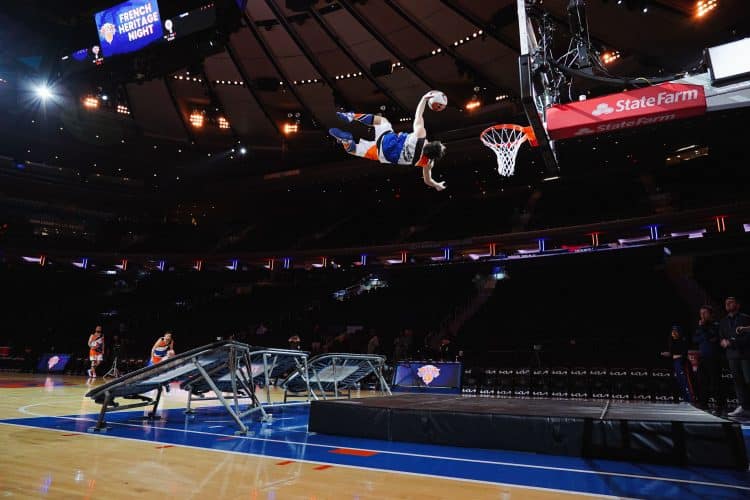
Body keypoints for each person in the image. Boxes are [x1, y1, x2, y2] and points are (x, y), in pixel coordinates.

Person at [329, 91, 447, 191]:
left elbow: (418, 116)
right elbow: (427, 180)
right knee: (353, 150)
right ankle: (347, 141)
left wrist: (423, 99)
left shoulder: (421, 135)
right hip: (383, 155)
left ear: (431, 143)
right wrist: (436, 185)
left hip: (388, 140)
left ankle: (352, 116)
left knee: (382, 121)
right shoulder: (428, 163)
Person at [719, 297, 750, 417]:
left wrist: (731, 342)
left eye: (731, 302)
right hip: (731, 356)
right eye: (726, 302)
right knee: (738, 382)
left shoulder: (745, 318)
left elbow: (747, 337)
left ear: (738, 305)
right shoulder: (723, 321)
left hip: (745, 356)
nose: (727, 303)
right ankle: (743, 406)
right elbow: (721, 336)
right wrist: (723, 341)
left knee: (748, 380)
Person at [693, 305, 723, 412]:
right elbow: (695, 339)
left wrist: (703, 330)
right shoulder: (701, 327)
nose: (702, 316)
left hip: (713, 357)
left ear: (711, 314)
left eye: (705, 313)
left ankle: (719, 404)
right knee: (702, 382)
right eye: (701, 313)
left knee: (715, 382)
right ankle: (703, 403)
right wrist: (703, 334)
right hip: (702, 357)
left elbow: (710, 337)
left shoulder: (716, 325)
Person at [660, 326, 692, 402]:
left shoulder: (683, 340)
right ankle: (681, 398)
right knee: (678, 381)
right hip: (674, 363)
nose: (673, 333)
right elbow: (672, 353)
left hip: (681, 362)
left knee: (684, 381)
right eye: (672, 331)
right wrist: (667, 354)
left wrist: (675, 355)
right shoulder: (671, 341)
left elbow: (684, 353)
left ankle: (689, 399)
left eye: (675, 331)